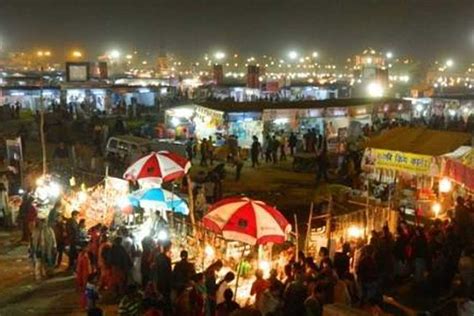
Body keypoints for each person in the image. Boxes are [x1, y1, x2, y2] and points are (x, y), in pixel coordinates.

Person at [153, 241, 172, 315]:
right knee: (166, 298)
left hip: (159, 280)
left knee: (161, 297)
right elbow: (169, 272)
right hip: (165, 282)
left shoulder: (158, 257)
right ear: (167, 248)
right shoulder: (167, 259)